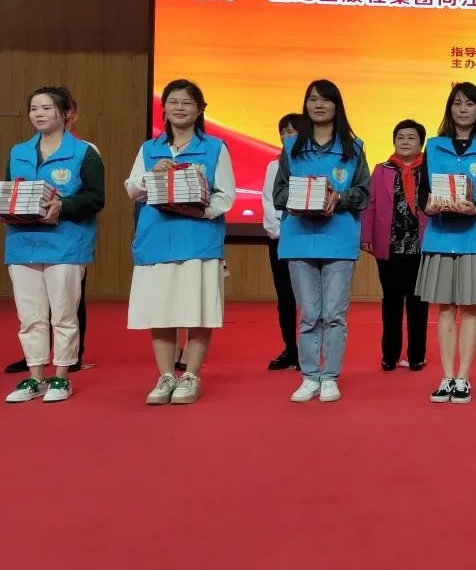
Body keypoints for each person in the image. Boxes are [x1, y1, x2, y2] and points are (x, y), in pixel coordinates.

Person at [125, 79, 235, 405]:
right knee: (160, 312)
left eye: (187, 103)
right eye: (173, 102)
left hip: (198, 240)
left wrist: (198, 210)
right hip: (155, 240)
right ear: (164, 108)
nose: (179, 108)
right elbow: (132, 188)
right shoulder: (149, 149)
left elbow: (225, 195)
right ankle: (165, 376)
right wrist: (152, 176)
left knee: (197, 311)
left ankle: (190, 376)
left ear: (200, 109)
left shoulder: (215, 147)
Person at [3, 87, 105, 403]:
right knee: (30, 317)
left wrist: (63, 206)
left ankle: (61, 376)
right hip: (22, 244)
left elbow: (95, 198)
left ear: (65, 113)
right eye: (34, 108)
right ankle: (35, 377)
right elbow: (10, 191)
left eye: (47, 108)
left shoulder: (84, 152)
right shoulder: (18, 152)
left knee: (63, 315)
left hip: (66, 245)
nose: (39, 114)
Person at [273, 80, 370, 402]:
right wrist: (299, 199)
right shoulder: (291, 147)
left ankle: (329, 377)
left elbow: (363, 194)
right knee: (309, 313)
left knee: (334, 314)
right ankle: (309, 376)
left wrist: (337, 198)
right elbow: (279, 193)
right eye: (312, 99)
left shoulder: (353, 148)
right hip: (299, 239)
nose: (319, 105)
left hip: (338, 239)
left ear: (336, 106)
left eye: (326, 100)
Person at [417, 82, 476, 404]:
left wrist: (475, 208)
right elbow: (423, 191)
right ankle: (446, 376)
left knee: (468, 310)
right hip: (439, 236)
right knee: (444, 310)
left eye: (469, 103)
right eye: (457, 103)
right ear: (449, 108)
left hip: (474, 239)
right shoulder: (434, 146)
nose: (463, 109)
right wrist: (428, 207)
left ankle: (463, 377)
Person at [361, 119, 430, 372]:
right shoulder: (382, 170)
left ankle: (416, 356)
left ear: (421, 143)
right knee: (391, 302)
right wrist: (366, 235)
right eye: (400, 137)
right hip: (389, 246)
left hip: (421, 247)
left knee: (418, 303)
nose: (405, 142)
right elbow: (370, 205)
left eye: (411, 138)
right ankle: (389, 355)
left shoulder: (429, 171)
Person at [262, 113, 302, 371]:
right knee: (285, 298)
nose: (287, 136)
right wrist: (279, 232)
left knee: (310, 299)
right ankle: (290, 349)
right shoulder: (274, 166)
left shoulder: (312, 162)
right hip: (281, 239)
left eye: (292, 131)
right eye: (283, 132)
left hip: (306, 237)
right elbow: (269, 201)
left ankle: (310, 352)